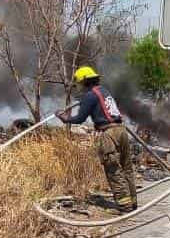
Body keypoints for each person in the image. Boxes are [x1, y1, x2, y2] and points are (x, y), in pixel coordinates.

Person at [57, 66, 138, 213]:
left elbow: (79, 119)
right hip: (121, 130)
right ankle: (133, 202)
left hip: (109, 134)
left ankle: (124, 207)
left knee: (113, 170)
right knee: (127, 168)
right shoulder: (104, 91)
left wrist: (64, 118)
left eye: (79, 83)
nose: (79, 87)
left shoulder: (90, 96)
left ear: (85, 81)